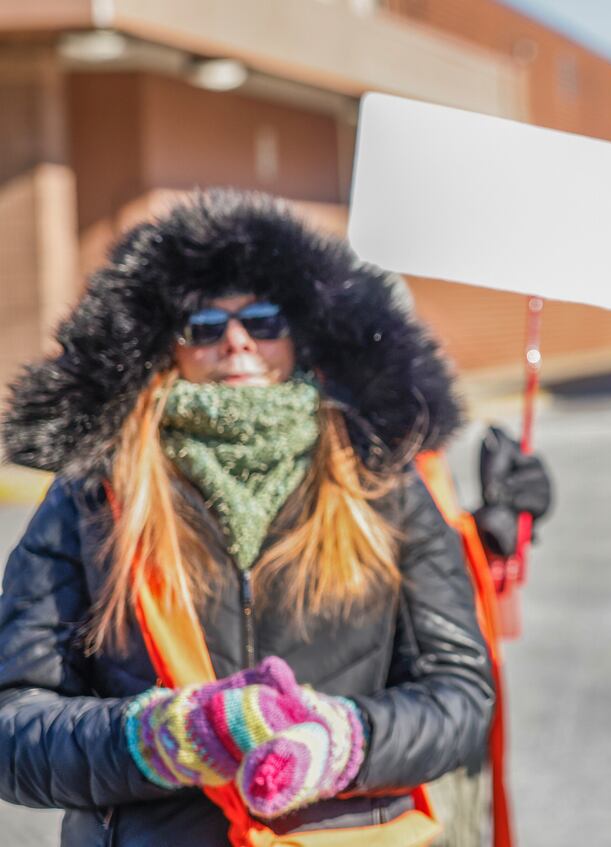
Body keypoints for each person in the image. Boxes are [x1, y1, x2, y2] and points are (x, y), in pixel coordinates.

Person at [0, 190, 495, 845]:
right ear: (162, 347)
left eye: (263, 319)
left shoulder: (380, 482)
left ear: (301, 337)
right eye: (202, 325)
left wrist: (343, 741)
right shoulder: (92, 497)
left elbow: (460, 694)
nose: (236, 341)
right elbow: (16, 725)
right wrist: (159, 739)